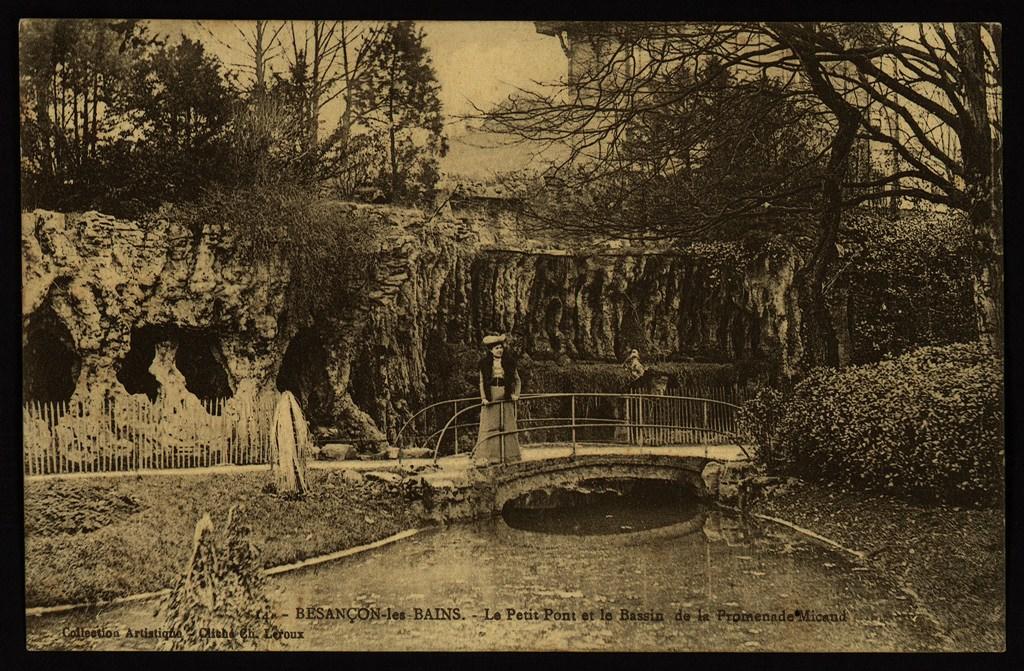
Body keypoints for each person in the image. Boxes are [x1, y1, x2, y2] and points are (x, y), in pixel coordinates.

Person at [473, 334, 522, 465]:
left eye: (501, 347)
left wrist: (516, 394)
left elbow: (517, 380)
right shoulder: (484, 363)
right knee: (489, 425)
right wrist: (483, 397)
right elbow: (481, 382)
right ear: (490, 350)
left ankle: (510, 457)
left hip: (505, 393)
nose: (499, 350)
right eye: (496, 348)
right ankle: (488, 457)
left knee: (507, 424)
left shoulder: (509, 362)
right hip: (491, 394)